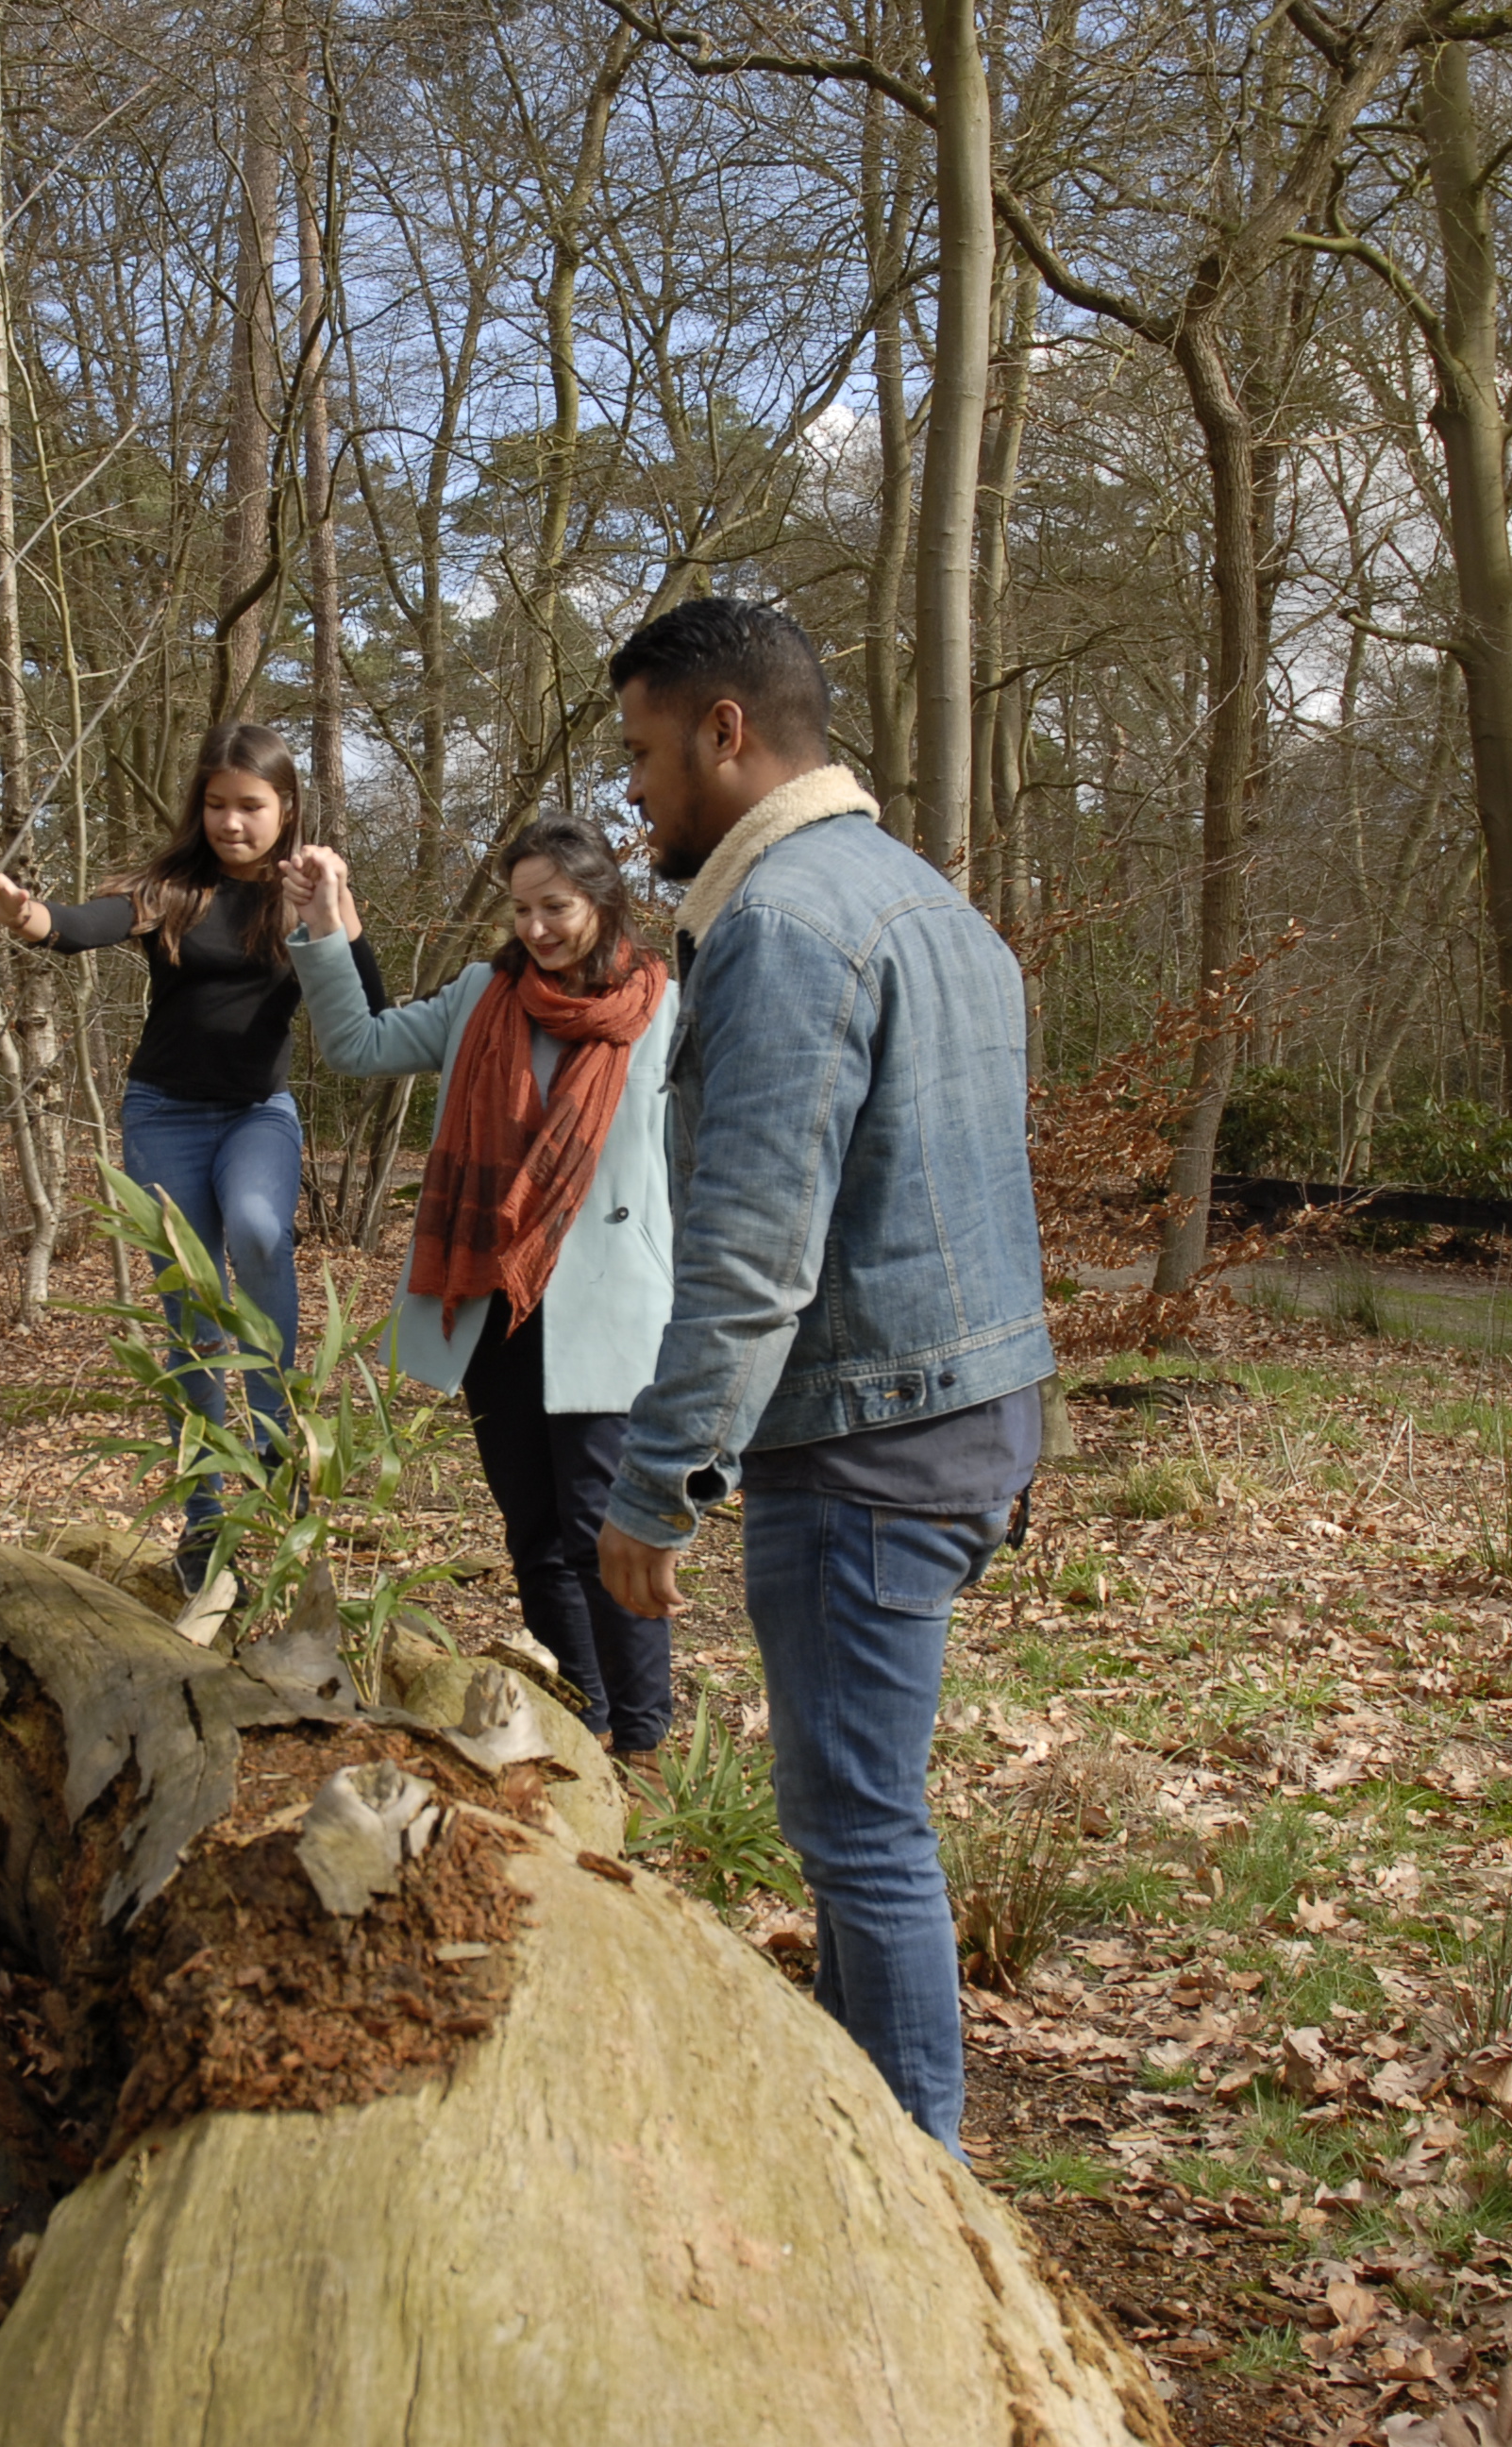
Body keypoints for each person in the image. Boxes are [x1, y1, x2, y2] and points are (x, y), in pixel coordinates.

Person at [589, 598, 1050, 2154]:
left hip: (873, 1443)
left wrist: (654, 1489)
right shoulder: (923, 898)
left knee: (856, 1826)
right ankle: (872, 2131)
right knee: (855, 1811)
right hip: (966, 1412)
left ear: (727, 731)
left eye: (645, 753)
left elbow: (752, 1256)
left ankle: (923, 2190)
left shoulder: (787, 926)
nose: (632, 794)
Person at [281, 819, 680, 1762]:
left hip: (611, 1309)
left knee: (600, 1526)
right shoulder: (482, 996)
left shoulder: (667, 1006)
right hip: (493, 1301)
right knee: (533, 1528)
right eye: (522, 908)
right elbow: (354, 1043)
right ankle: (583, 1724)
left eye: (557, 907)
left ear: (601, 901)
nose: (537, 927)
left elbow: (709, 1159)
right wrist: (323, 924)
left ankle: (645, 1744)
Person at [0, 722, 384, 1590]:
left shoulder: (305, 895)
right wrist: (21, 914)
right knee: (192, 1309)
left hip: (260, 1112)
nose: (232, 822)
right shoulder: (172, 890)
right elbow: (76, 927)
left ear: (286, 807)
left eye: (251, 807)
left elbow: (371, 1005)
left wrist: (334, 908)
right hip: (165, 1115)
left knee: (263, 1232)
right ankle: (205, 1516)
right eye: (217, 805)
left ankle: (282, 1463)